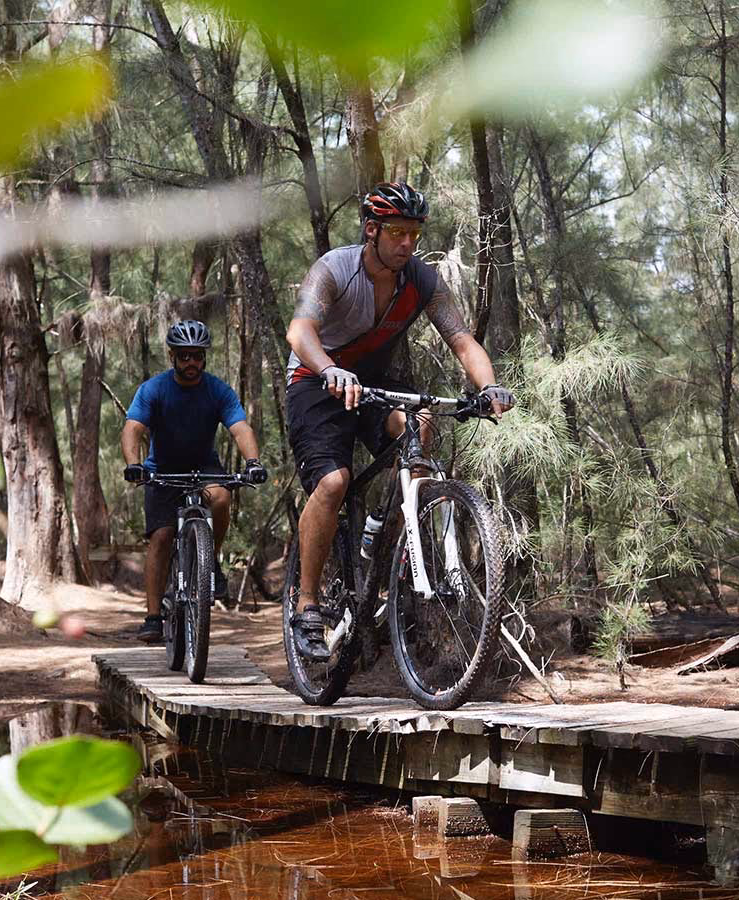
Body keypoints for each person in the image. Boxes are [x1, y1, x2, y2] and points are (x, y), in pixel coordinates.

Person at [284, 181, 515, 660]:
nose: (407, 243)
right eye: (397, 233)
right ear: (372, 230)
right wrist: (328, 370)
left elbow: (461, 339)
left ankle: (383, 524)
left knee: (420, 424)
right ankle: (306, 604)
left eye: (414, 233)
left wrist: (488, 386)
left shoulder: (422, 280)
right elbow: (299, 330)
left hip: (372, 385)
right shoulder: (335, 269)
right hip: (315, 379)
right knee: (332, 483)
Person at [122, 320, 266, 642]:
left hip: (204, 468)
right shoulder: (154, 389)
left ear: (204, 357)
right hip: (161, 471)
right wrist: (134, 465)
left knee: (222, 498)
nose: (191, 363)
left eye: (197, 356)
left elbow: (240, 428)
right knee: (161, 536)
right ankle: (153, 616)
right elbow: (133, 428)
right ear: (172, 356)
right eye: (185, 356)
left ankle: (209, 563)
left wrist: (253, 462)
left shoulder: (218, 390)